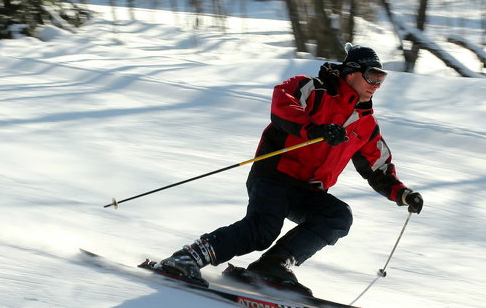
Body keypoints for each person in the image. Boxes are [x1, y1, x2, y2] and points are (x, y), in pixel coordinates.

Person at [158, 43, 424, 293]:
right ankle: (186, 258)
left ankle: (272, 266)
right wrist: (313, 129)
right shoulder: (312, 88)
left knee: (338, 216)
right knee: (262, 230)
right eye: (372, 76)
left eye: (382, 79)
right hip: (275, 174)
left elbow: (378, 166)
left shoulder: (365, 123)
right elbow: (282, 103)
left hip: (308, 190)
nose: (377, 85)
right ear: (352, 72)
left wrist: (403, 194)